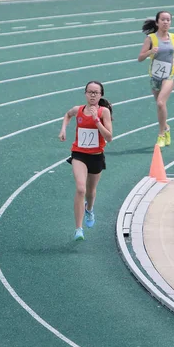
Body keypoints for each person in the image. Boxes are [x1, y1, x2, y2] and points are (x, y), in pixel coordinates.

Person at [59, 81, 113, 241]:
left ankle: (89, 209)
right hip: (79, 154)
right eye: (90, 92)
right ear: (85, 94)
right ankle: (78, 229)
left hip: (96, 155)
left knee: (90, 191)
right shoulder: (78, 110)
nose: (92, 95)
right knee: (81, 189)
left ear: (101, 95)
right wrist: (63, 129)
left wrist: (96, 120)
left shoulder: (104, 112)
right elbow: (68, 115)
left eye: (96, 92)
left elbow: (109, 137)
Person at [137, 11, 174, 148]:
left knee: (160, 103)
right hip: (155, 76)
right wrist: (150, 52)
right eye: (163, 19)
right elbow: (140, 58)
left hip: (170, 73)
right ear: (157, 22)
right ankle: (166, 128)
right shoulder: (150, 39)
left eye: (168, 20)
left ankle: (161, 135)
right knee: (161, 106)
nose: (166, 22)